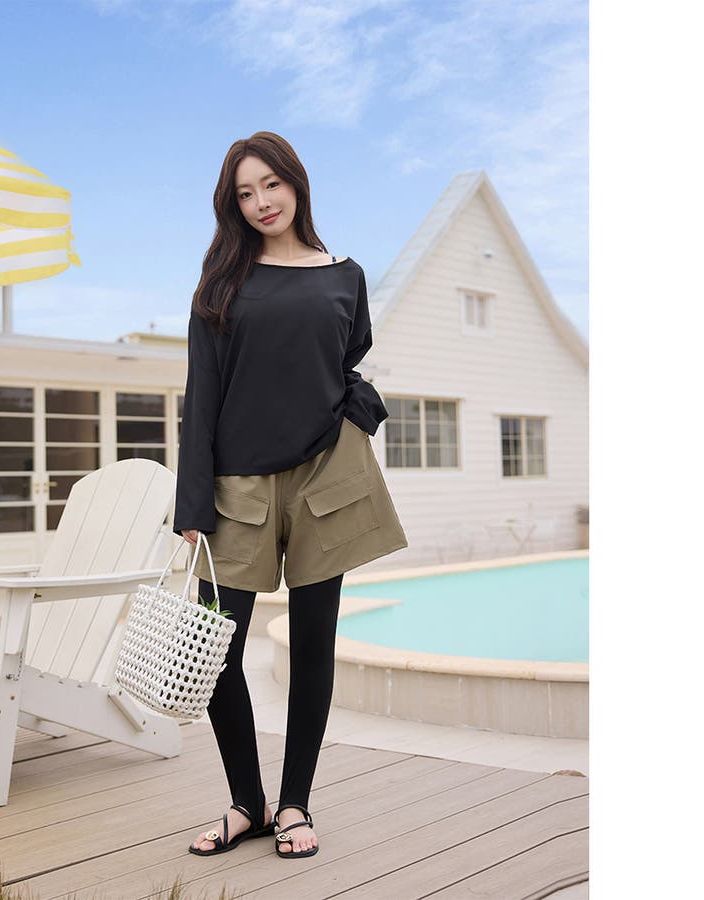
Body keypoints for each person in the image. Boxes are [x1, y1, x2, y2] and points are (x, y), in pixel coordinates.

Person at [174, 131, 408, 860]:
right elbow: (201, 395)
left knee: (312, 647)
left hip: (323, 477)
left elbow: (345, 366)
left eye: (270, 185)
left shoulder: (346, 277)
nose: (261, 202)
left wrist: (360, 417)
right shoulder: (221, 283)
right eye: (244, 193)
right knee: (214, 651)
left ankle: (295, 803)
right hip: (236, 486)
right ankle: (247, 801)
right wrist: (192, 503)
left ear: (296, 184)